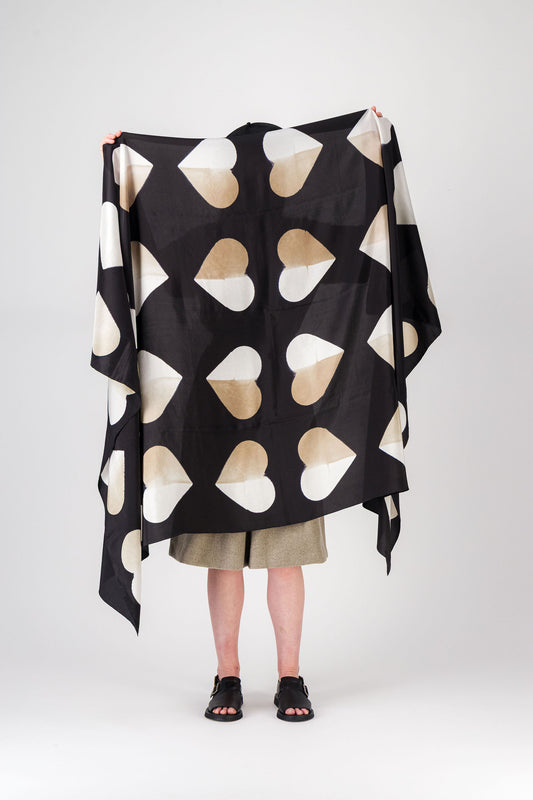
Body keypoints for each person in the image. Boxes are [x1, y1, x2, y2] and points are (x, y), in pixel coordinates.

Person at [98, 106, 384, 722]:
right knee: (223, 557)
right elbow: (163, 251)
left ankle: (290, 677)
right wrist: (127, 163)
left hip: (294, 416)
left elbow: (343, 237)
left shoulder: (301, 226)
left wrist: (366, 141)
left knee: (286, 554)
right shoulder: (204, 227)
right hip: (217, 412)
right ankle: (226, 676)